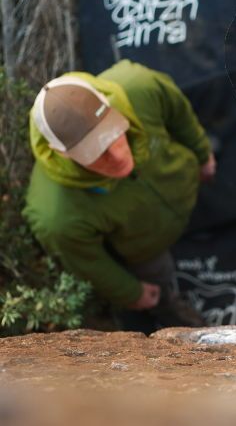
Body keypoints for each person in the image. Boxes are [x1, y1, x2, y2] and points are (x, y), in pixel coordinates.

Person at [23, 59, 216, 330]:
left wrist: (201, 153)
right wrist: (132, 292)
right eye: (96, 152)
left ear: (111, 105)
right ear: (63, 154)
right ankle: (171, 313)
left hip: (183, 185)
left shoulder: (139, 87)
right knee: (159, 281)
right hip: (145, 246)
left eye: (114, 132)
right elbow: (89, 262)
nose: (117, 157)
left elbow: (177, 112)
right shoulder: (55, 213)